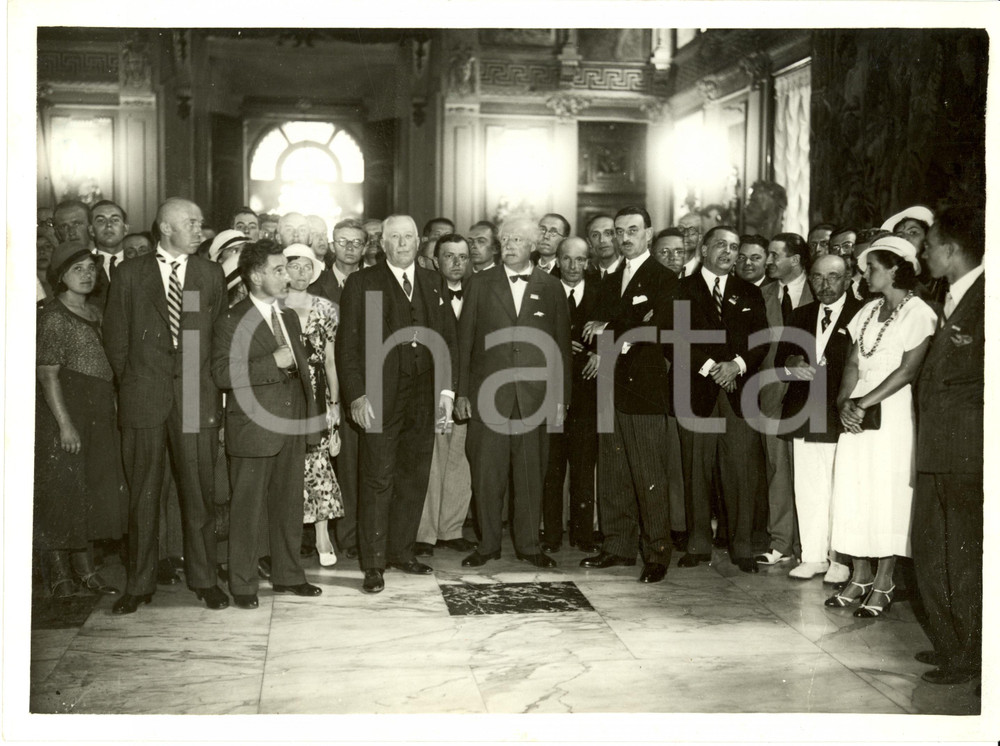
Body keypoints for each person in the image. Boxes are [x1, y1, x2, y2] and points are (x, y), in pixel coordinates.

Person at [103, 198, 229, 614]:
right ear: (166, 227)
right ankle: (139, 585)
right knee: (143, 497)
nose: (200, 228)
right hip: (143, 397)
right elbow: (116, 342)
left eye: (200, 221)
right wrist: (137, 384)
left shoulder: (209, 274)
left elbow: (214, 340)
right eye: (192, 222)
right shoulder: (130, 274)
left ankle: (205, 578)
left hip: (195, 396)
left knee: (199, 493)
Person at [336, 215, 457, 594]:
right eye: (394, 238)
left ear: (419, 241)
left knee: (413, 474)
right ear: (382, 244)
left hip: (424, 397)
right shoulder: (363, 283)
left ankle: (401, 551)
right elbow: (348, 347)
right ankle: (373, 564)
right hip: (379, 397)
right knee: (377, 477)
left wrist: (447, 393)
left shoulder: (434, 282)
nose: (402, 243)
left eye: (408, 237)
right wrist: (356, 395)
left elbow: (448, 338)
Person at [825, 236, 936, 616]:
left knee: (885, 495)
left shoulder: (918, 312)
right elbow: (853, 363)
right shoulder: (868, 310)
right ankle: (859, 576)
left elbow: (907, 371)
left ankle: (885, 581)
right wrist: (844, 403)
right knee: (853, 491)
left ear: (893, 269)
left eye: (871, 267)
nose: (865, 274)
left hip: (891, 415)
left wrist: (862, 403)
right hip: (856, 414)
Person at [211, 240, 323, 609]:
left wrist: (310, 424)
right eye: (278, 269)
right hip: (254, 428)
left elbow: (304, 374)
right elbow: (221, 373)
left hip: (289, 426)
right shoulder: (231, 319)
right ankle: (242, 585)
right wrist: (270, 362)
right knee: (247, 510)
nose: (287, 275)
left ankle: (289, 576)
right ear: (256, 276)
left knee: (289, 506)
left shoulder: (287, 315)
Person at [456, 216, 571, 570]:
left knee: (529, 475)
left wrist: (561, 399)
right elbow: (464, 343)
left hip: (534, 398)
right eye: (505, 239)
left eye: (518, 239)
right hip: (487, 397)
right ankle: (487, 544)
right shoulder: (478, 283)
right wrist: (461, 393)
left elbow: (561, 347)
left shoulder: (551, 287)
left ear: (533, 245)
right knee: (486, 476)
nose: (510, 244)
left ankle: (529, 546)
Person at [579, 206, 677, 583]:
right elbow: (596, 328)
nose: (624, 237)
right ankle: (618, 546)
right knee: (614, 472)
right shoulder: (608, 279)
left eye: (633, 230)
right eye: (619, 231)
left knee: (649, 472)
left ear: (649, 234)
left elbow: (661, 329)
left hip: (644, 391)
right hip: (608, 387)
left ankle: (657, 553)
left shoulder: (665, 278)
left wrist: (614, 329)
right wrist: (625, 328)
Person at [912, 206, 984, 685]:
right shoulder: (952, 296)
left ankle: (971, 653)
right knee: (931, 549)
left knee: (961, 556)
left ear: (952, 250)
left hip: (967, 450)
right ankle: (951, 641)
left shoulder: (987, 297)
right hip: (939, 448)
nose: (923, 253)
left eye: (929, 244)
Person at [673, 225, 768, 574]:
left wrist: (737, 366)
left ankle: (742, 547)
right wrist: (714, 368)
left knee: (740, 472)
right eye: (721, 246)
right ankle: (698, 544)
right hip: (698, 392)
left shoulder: (749, 292)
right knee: (696, 471)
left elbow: (761, 341)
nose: (729, 253)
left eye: (734, 246)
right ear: (704, 247)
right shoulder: (682, 289)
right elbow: (677, 338)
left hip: (738, 393)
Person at [35, 241, 126, 598]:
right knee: (61, 493)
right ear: (60, 276)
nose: (87, 274)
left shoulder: (96, 312)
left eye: (91, 267)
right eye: (78, 269)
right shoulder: (53, 316)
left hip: (98, 413)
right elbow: (48, 376)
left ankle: (87, 570)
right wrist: (65, 424)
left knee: (87, 492)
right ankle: (60, 575)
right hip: (68, 412)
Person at [778, 254, 862, 581]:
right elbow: (781, 365)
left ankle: (839, 559)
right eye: (817, 277)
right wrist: (792, 365)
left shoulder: (861, 313)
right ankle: (813, 555)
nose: (824, 285)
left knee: (840, 488)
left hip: (840, 415)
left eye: (833, 277)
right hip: (805, 412)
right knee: (808, 486)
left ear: (848, 279)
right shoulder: (799, 315)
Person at [415, 234, 478, 557]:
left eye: (463, 257)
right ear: (435, 261)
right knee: (434, 462)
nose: (456, 263)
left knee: (458, 461)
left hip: (467, 390)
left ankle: (451, 529)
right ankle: (425, 534)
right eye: (449, 256)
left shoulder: (477, 292)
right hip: (437, 391)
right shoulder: (426, 293)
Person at [284, 244, 345, 567]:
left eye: (307, 267)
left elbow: (332, 361)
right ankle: (286, 539)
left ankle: (323, 536)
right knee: (288, 465)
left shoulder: (326, 308)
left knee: (319, 463)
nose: (301, 273)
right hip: (283, 393)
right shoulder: (272, 306)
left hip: (317, 393)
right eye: (294, 266)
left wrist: (334, 403)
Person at [755, 233, 814, 567]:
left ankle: (812, 546)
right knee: (777, 468)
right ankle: (781, 543)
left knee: (810, 469)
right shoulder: (762, 295)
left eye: (776, 255)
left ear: (796, 259)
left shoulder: (818, 291)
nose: (769, 261)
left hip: (811, 392)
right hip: (772, 394)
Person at [540, 237, 600, 554]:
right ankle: (551, 535)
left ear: (588, 262)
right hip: (552, 392)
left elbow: (615, 330)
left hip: (588, 394)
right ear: (558, 261)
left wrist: (599, 352)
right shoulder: (544, 289)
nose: (573, 267)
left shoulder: (601, 291)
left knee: (583, 467)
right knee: (552, 468)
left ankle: (582, 534)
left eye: (580, 260)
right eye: (567, 259)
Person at [586, 214, 620, 278]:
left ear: (618, 236)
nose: (602, 240)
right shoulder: (587, 277)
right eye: (595, 235)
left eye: (608, 233)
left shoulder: (630, 272)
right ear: (589, 242)